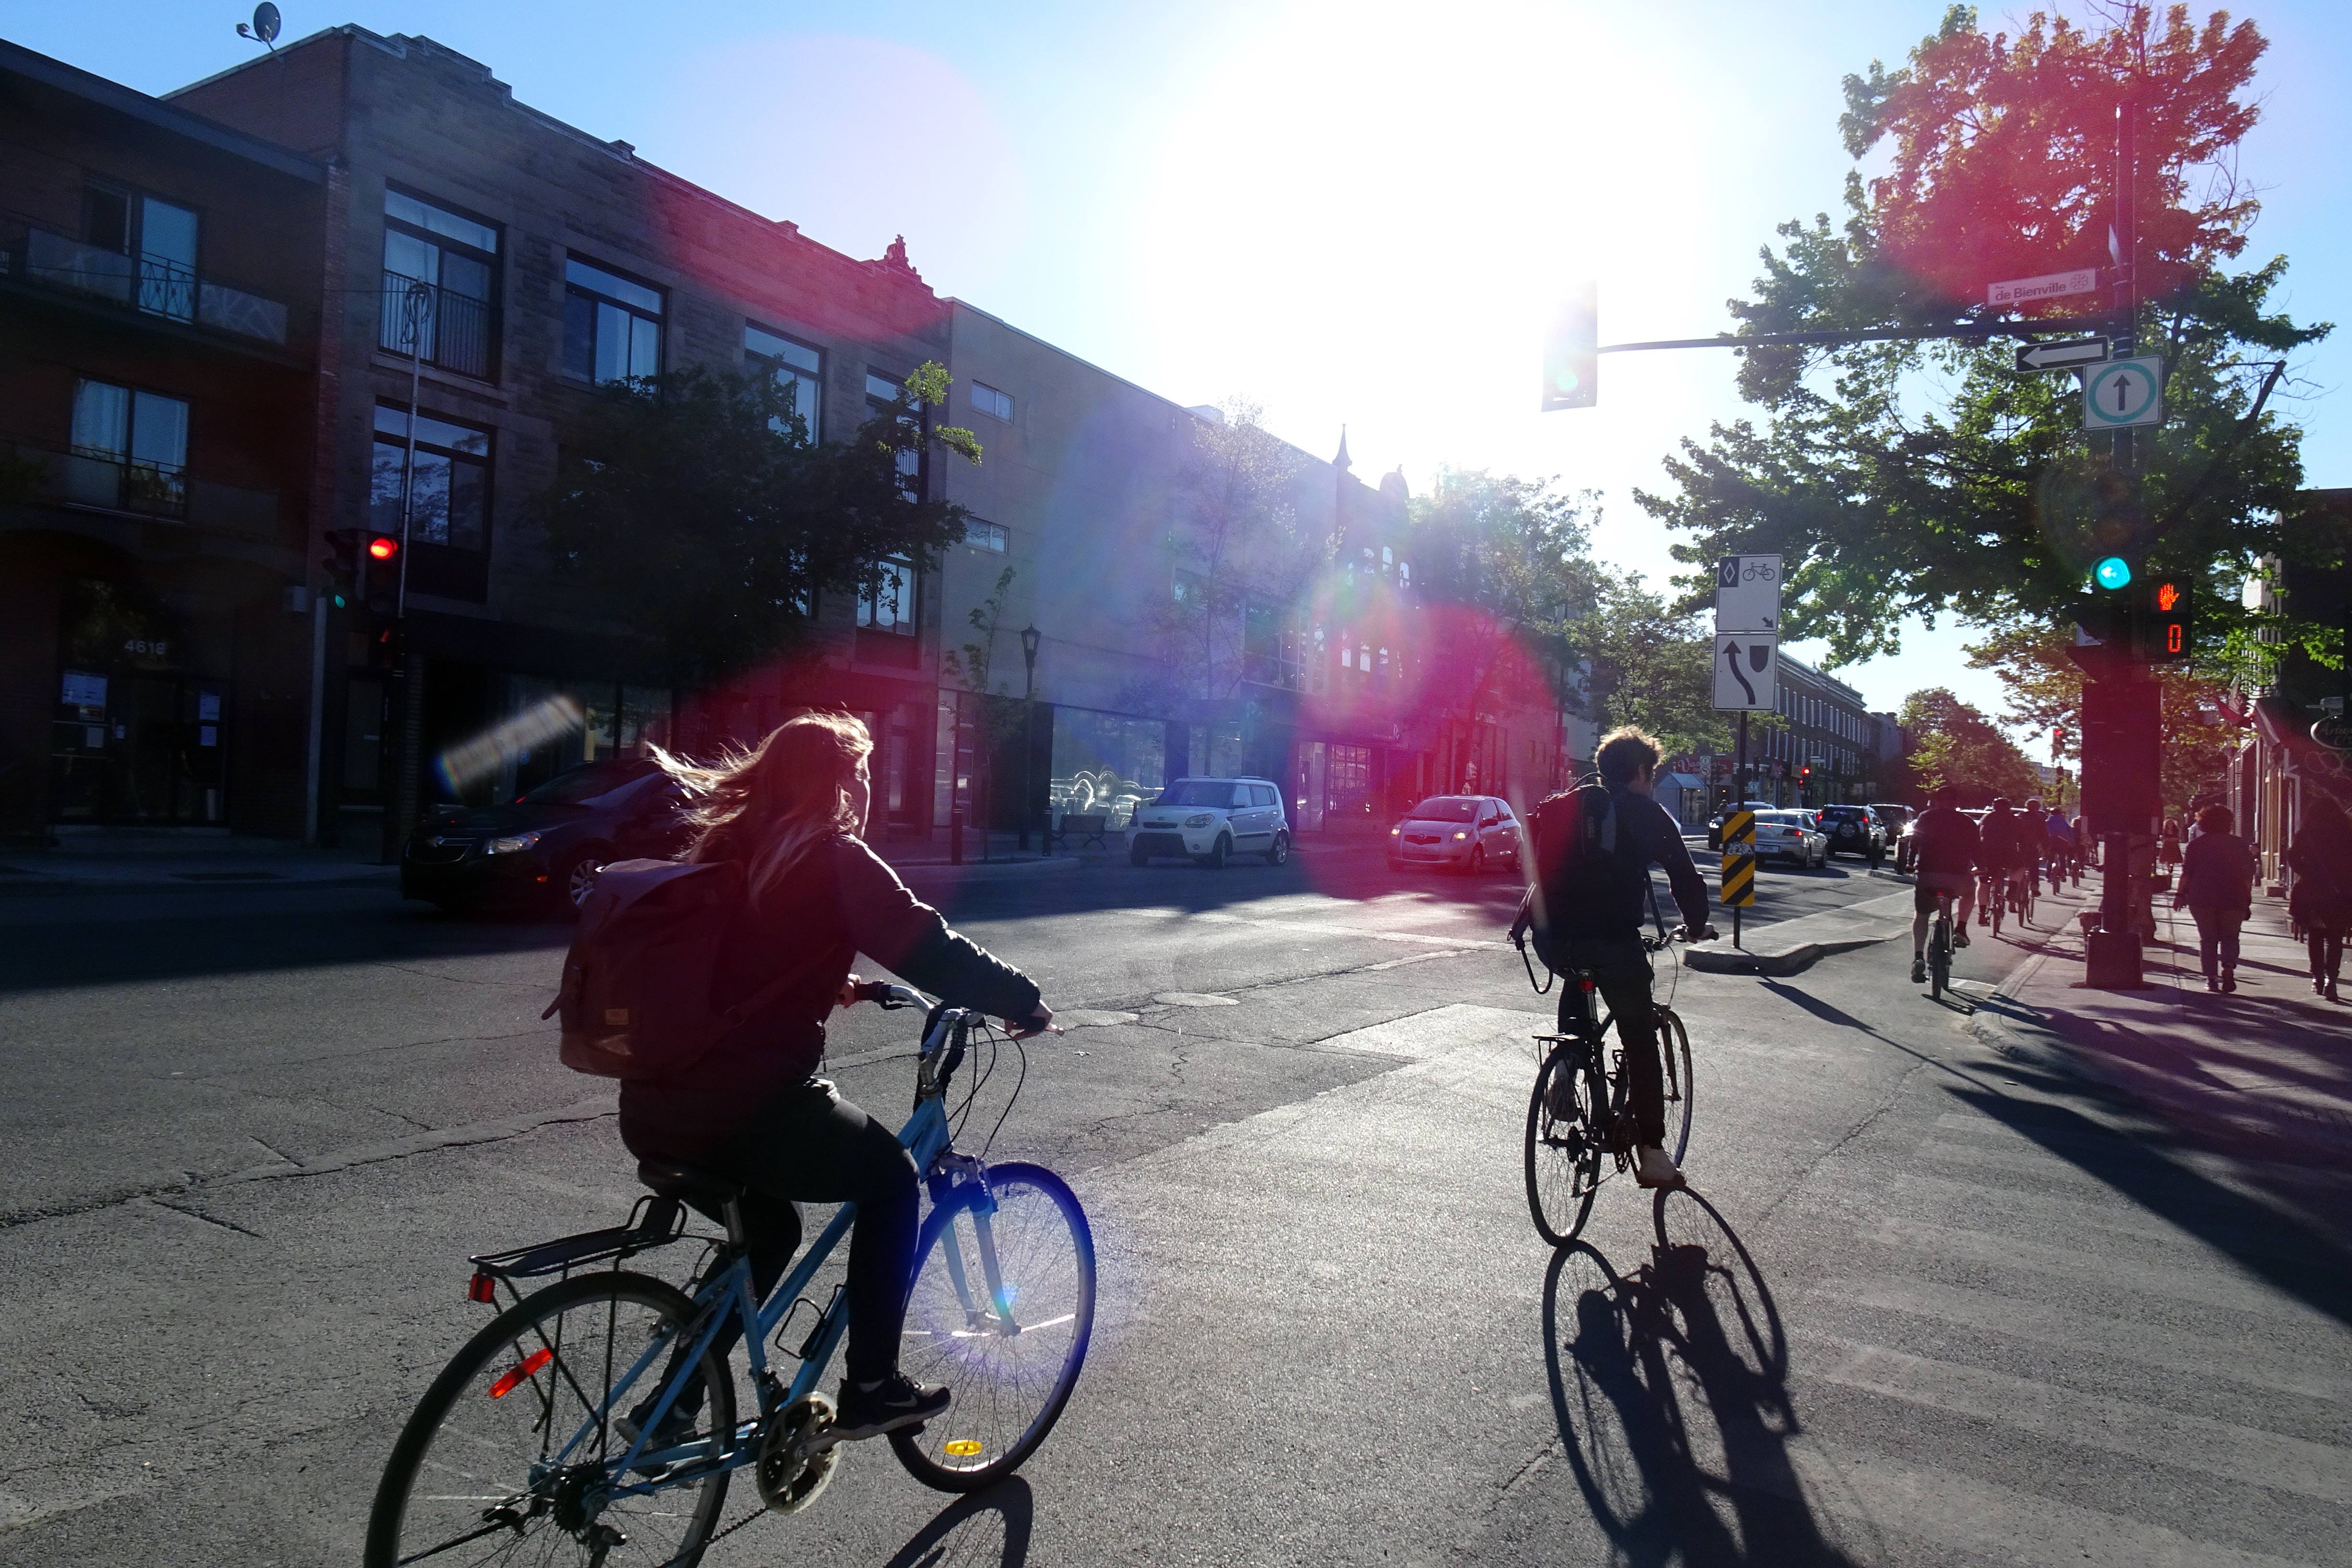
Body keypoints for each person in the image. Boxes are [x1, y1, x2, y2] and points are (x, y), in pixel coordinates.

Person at [620, 714, 1056, 1443]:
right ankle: (872, 1389)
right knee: (888, 1179)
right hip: (747, 1108)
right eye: (857, 770)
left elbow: (733, 961)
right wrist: (1024, 999)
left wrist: (828, 977)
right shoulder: (833, 859)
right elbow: (930, 947)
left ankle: (671, 1408)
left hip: (656, 1106)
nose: (864, 783)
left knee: (768, 1233)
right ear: (835, 781)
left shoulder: (727, 847)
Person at [1523, 727, 1716, 1189]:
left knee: (1578, 975)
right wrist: (1695, 923)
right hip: (1612, 941)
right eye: (1652, 774)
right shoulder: (1646, 812)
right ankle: (1652, 1153)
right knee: (1639, 1035)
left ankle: (1567, 1068)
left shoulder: (1567, 803)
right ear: (1642, 773)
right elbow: (1685, 878)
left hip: (1552, 940)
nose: (1652, 782)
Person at [2174, 804, 2257, 992]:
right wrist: (2247, 898)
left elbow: (2187, 874)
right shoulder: (2239, 845)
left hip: (2202, 898)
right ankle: (2228, 966)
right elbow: (2247, 877)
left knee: (2208, 939)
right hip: (2233, 897)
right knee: (2231, 937)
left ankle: (2211, 978)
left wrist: (2180, 894)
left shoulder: (2196, 846)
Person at [1909, 784, 1979, 982]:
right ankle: (1961, 929)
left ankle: (1918, 958)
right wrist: (1982, 866)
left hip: (1927, 875)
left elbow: (1915, 841)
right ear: (1957, 803)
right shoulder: (1967, 822)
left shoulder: (1926, 817)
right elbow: (1977, 849)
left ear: (1937, 801)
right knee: (1970, 891)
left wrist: (1909, 862)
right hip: (1957, 877)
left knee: (1922, 915)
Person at [2287, 793, 2352, 1001]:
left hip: (2313, 891)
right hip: (2341, 893)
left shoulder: (2307, 833)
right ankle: (2331, 979)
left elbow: (2293, 857)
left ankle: (2317, 976)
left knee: (2315, 935)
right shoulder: (2347, 832)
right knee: (2335, 937)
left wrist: (2307, 872)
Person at [1977, 797, 2023, 935]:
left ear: (1993, 807)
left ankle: (1981, 913)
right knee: (2020, 867)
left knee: (1983, 883)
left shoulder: (1986, 818)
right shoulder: (2015, 820)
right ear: (2009, 808)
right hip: (2008, 854)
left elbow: (1978, 836)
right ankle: (2012, 889)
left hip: (1987, 855)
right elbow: (2023, 840)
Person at [2044, 803, 2077, 889]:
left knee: (2050, 859)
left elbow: (2046, 832)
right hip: (2063, 842)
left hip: (2051, 843)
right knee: (2062, 858)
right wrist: (2071, 841)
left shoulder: (2048, 821)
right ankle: (2063, 873)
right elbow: (2070, 831)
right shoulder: (2064, 821)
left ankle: (2048, 875)